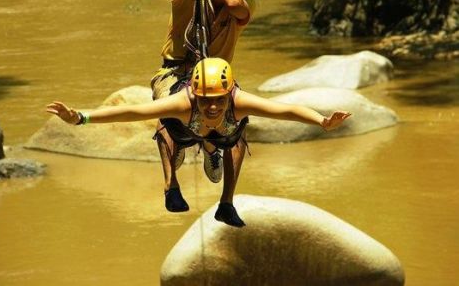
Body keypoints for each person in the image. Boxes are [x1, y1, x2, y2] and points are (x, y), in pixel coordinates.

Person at [47, 58, 351, 228]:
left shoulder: (238, 101)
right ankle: (171, 185)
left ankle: (225, 201)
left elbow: (284, 110)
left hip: (221, 137)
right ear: (195, 94)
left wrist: (321, 121)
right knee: (163, 126)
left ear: (228, 94)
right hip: (183, 132)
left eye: (218, 100)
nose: (213, 107)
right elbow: (131, 111)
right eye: (206, 100)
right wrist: (80, 118)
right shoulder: (182, 103)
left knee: (236, 140)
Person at [151, 0, 261, 185]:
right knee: (169, 110)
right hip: (176, 71)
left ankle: (217, 166)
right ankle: (171, 184)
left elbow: (233, 1)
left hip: (216, 77)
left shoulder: (245, 4)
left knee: (237, 120)